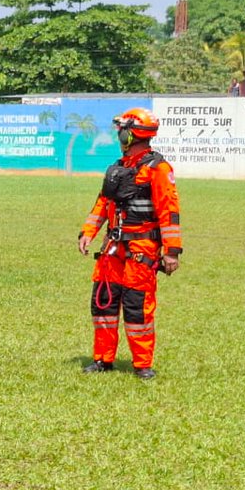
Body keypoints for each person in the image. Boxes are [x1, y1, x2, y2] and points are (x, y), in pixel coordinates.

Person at [78, 108, 182, 379]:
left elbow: (168, 211)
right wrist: (88, 231)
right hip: (112, 248)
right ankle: (102, 359)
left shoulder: (158, 169)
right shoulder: (119, 167)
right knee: (103, 302)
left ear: (131, 133)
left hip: (142, 249)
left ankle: (142, 365)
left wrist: (171, 251)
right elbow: (104, 203)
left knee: (137, 306)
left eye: (121, 128)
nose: (117, 133)